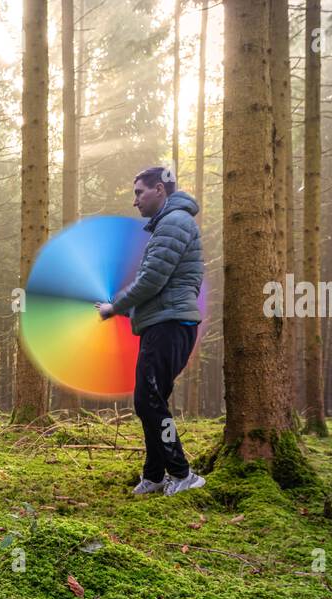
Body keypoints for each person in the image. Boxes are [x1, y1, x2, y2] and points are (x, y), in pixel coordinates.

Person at [97, 167, 205, 496]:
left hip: (170, 326)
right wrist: (122, 308)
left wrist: (115, 307)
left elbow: (152, 280)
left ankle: (182, 473)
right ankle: (155, 475)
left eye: (139, 193)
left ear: (160, 189)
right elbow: (162, 284)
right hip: (165, 323)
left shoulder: (174, 222)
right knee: (151, 402)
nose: (135, 202)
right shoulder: (170, 224)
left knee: (148, 402)